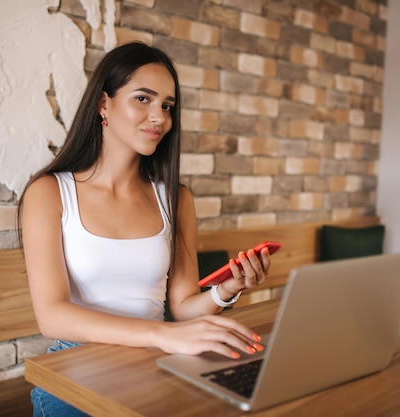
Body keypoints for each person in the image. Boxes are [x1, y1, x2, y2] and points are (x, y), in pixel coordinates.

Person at [18, 41, 273, 417]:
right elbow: (52, 316)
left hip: (156, 361)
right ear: (104, 104)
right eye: (143, 99)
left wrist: (225, 291)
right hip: (76, 367)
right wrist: (164, 335)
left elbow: (184, 308)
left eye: (167, 106)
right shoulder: (50, 192)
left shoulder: (175, 198)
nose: (160, 117)